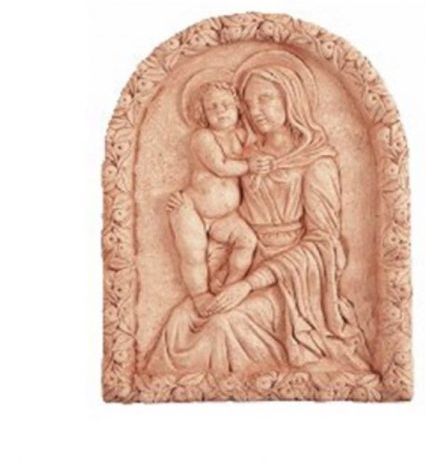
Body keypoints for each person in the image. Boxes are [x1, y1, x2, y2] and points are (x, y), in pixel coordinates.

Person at [145, 52, 370, 376]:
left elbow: (322, 243)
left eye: (265, 99)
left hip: (291, 279)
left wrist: (249, 284)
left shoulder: (316, 162)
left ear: (290, 99)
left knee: (222, 323)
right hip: (244, 260)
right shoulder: (246, 153)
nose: (255, 111)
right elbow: (222, 203)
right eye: (249, 103)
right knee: (183, 318)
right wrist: (189, 207)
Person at [168, 80, 274, 316]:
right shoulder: (203, 137)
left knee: (247, 241)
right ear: (203, 114)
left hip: (225, 217)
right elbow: (220, 166)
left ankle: (229, 285)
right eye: (212, 107)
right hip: (192, 209)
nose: (220, 111)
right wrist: (249, 166)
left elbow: (258, 149)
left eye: (226, 105)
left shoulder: (241, 135)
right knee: (193, 254)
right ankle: (200, 296)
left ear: (238, 107)